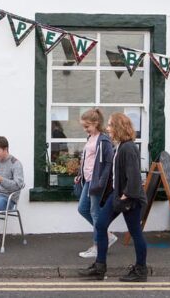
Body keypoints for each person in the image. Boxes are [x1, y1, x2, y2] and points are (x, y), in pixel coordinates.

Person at [79, 113, 148, 282]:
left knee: (135, 232)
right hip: (117, 195)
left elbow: (134, 176)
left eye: (110, 125)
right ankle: (99, 267)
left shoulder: (129, 148)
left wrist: (126, 195)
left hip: (129, 198)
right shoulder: (120, 146)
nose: (108, 128)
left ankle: (141, 270)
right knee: (101, 225)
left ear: (118, 127)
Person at [75, 109, 116, 259]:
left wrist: (100, 182)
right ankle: (107, 236)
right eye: (84, 126)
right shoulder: (91, 137)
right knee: (83, 209)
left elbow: (108, 163)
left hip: (96, 182)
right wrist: (80, 174)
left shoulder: (104, 140)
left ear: (96, 123)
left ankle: (98, 246)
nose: (85, 129)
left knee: (95, 213)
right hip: (88, 180)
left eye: (87, 126)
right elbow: (87, 159)